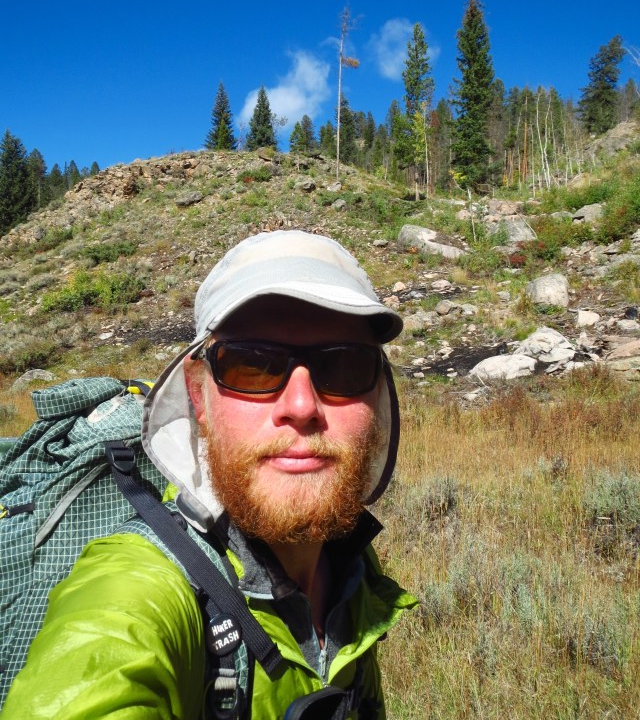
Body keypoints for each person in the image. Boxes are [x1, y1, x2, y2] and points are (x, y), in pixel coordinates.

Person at [4, 230, 416, 719]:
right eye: (253, 366)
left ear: (377, 395)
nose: (302, 407)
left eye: (344, 366)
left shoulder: (351, 557)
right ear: (198, 399)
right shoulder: (142, 587)